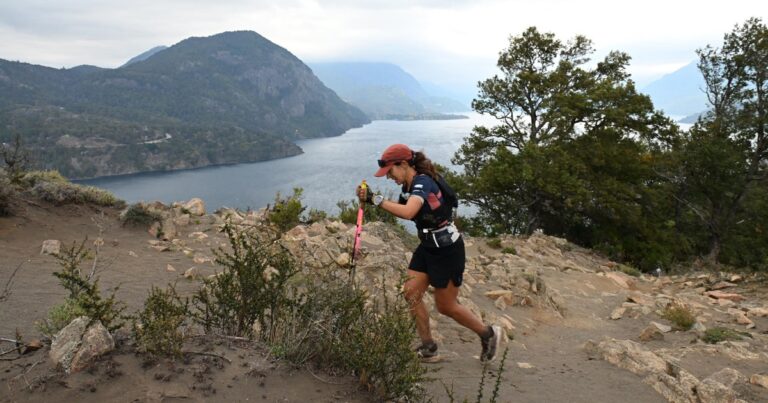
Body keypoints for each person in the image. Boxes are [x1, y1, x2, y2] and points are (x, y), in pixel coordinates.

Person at [357, 143, 502, 362]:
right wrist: (372, 197)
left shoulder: (422, 183)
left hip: (447, 250)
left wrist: (374, 199)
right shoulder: (410, 185)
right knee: (411, 293)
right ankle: (428, 346)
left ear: (404, 164)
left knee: (446, 306)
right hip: (427, 247)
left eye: (390, 172)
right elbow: (411, 210)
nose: (389, 177)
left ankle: (488, 334)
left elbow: (409, 211)